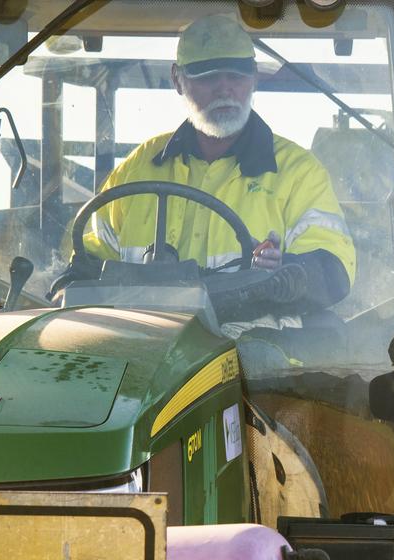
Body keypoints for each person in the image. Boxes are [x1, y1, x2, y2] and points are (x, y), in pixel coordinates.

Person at [83, 14, 355, 355]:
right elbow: (88, 263)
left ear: (254, 78)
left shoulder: (299, 173)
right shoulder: (137, 169)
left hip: (257, 376)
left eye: (237, 76)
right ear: (177, 79)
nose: (225, 89)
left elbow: (332, 269)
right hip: (142, 358)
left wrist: (283, 272)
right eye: (209, 76)